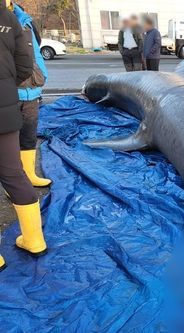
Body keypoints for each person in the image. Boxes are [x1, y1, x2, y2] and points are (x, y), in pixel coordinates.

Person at [0, 0, 48, 272]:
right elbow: (23, 65)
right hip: (5, 108)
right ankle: (34, 239)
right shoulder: (9, 19)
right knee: (13, 174)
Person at [13, 3, 51, 187]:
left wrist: (42, 75)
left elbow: (36, 53)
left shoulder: (27, 22)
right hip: (9, 94)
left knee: (28, 136)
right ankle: (16, 184)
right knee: (10, 141)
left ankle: (29, 175)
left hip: (32, 91)